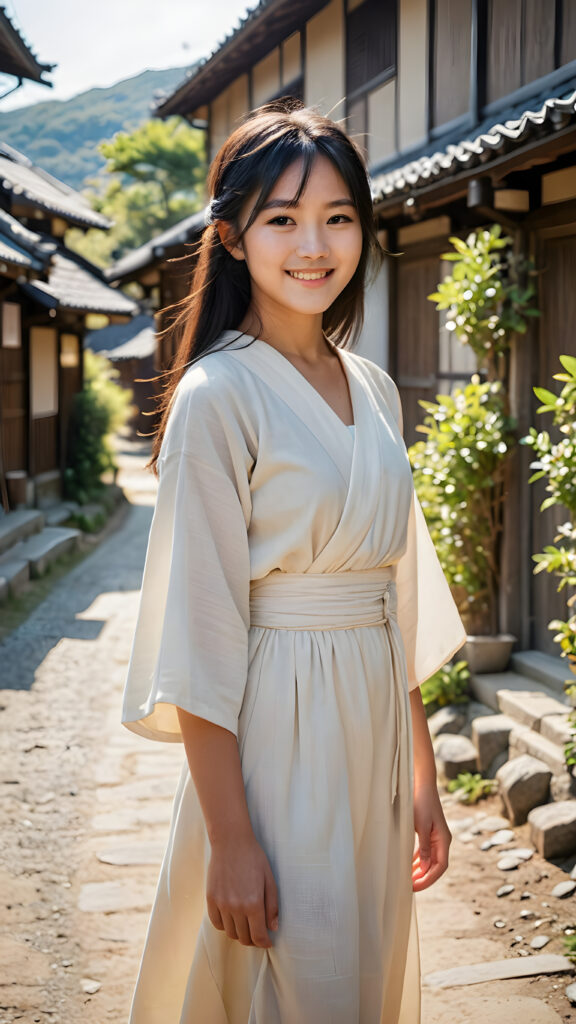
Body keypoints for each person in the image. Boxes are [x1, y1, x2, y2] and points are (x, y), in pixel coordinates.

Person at [121, 96, 467, 1024]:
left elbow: (396, 594)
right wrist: (230, 839)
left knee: (359, 968)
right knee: (291, 981)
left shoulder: (375, 388)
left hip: (373, 727)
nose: (314, 245)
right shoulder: (218, 395)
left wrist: (423, 778)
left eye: (338, 217)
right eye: (282, 219)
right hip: (276, 725)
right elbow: (199, 635)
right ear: (233, 236)